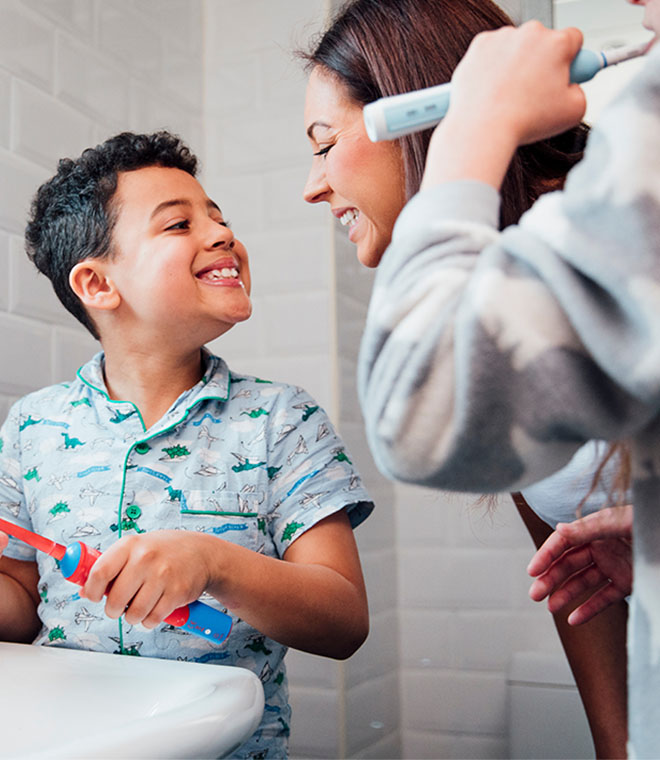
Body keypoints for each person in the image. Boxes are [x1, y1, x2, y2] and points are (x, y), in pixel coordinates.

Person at [302, 0, 628, 755]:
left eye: (324, 145)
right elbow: (582, 589)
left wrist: (470, 133)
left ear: (420, 115)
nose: (313, 186)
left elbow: (413, 423)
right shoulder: (496, 299)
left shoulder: (612, 232)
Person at [0, 131, 373, 760]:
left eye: (219, 217)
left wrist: (214, 563)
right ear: (97, 284)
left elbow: (343, 622)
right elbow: (17, 603)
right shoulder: (31, 427)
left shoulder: (281, 419)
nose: (222, 233)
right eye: (179, 224)